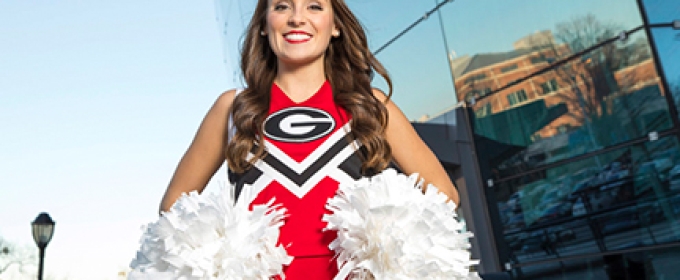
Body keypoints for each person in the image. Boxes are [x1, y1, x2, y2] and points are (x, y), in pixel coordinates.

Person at [159, 0, 460, 278]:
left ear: (336, 26)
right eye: (282, 7)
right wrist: (225, 256)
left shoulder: (370, 106)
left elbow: (444, 194)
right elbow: (173, 205)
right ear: (264, 25)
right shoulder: (233, 109)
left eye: (314, 6)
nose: (297, 18)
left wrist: (385, 245)